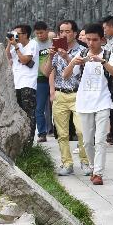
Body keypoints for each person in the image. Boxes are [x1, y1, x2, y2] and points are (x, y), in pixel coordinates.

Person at [65, 23, 113, 185]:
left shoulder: (109, 55)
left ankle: (98, 173)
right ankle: (91, 165)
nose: (90, 43)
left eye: (94, 40)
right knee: (87, 141)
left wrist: (102, 61)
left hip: (103, 101)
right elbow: (66, 75)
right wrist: (73, 63)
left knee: (100, 139)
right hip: (84, 102)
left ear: (101, 40)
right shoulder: (81, 54)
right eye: (88, 39)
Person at [43, 20, 89, 175]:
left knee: (82, 131)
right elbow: (46, 72)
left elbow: (81, 70)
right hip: (60, 94)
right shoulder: (55, 50)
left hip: (78, 94)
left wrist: (67, 57)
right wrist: (50, 57)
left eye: (68, 31)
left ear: (75, 33)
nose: (64, 34)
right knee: (62, 133)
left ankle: (85, 161)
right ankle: (66, 163)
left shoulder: (82, 50)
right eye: (61, 31)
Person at [6, 24, 39, 144]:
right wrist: (10, 43)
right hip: (16, 84)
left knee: (29, 113)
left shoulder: (33, 44)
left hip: (28, 84)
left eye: (17, 34)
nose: (15, 36)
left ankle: (29, 142)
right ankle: (20, 141)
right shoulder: (16, 45)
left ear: (25, 34)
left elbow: (25, 60)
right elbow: (6, 57)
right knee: (18, 113)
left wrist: (16, 47)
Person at [32, 21, 54, 143]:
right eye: (37, 33)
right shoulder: (33, 43)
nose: (40, 35)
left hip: (54, 77)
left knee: (56, 107)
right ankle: (42, 133)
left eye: (42, 32)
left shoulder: (52, 42)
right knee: (39, 108)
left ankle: (58, 130)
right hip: (40, 79)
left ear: (47, 31)